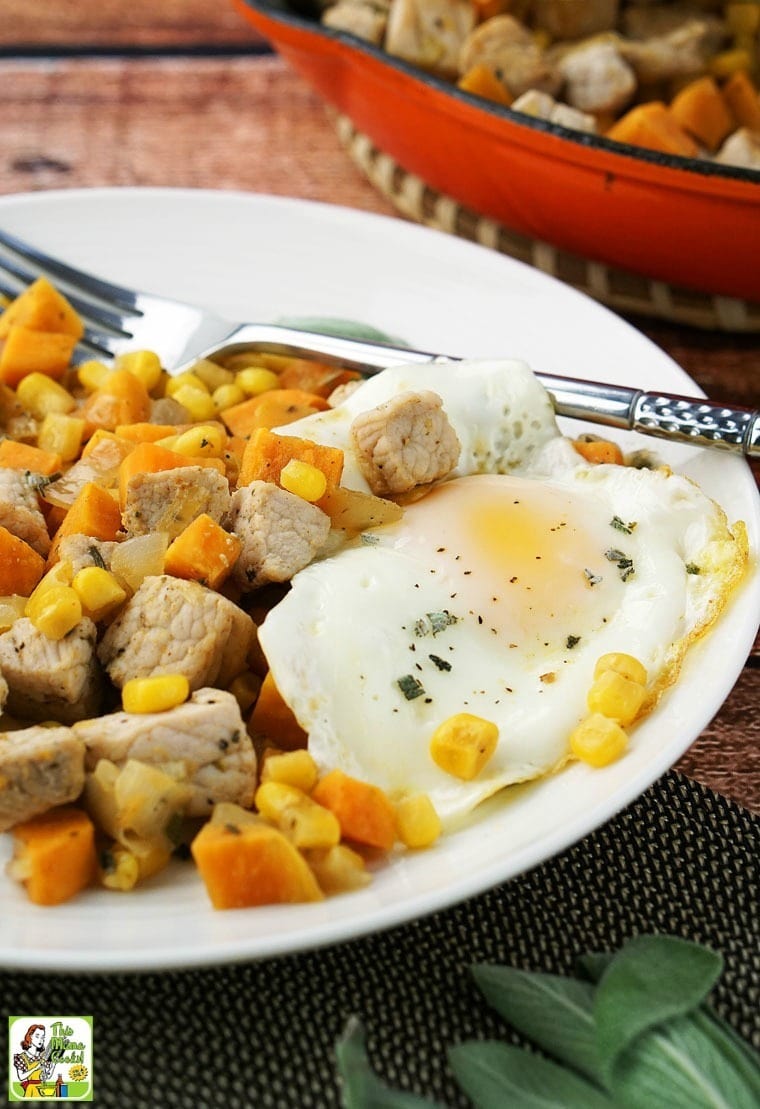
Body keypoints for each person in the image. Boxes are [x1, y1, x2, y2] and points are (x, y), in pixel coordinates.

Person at [13, 1025, 53, 1098]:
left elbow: (47, 1076)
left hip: (42, 1089)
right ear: (30, 1036)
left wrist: (53, 1063)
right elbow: (21, 1077)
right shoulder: (21, 1057)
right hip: (31, 1090)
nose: (40, 1040)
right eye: (37, 1036)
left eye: (42, 1037)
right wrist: (35, 1068)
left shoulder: (43, 1056)